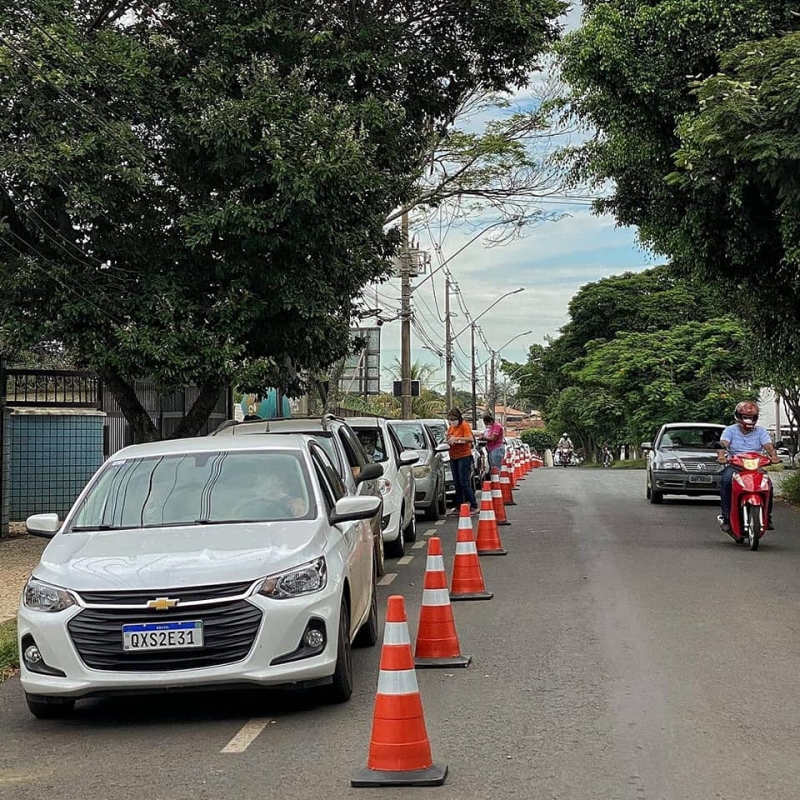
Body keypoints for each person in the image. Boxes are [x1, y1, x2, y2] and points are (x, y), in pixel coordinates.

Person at [716, 400, 780, 535]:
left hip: (756, 467)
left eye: (751, 417)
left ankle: (767, 517)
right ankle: (726, 518)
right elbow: (723, 444)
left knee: (768, 484)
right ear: (738, 416)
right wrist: (721, 456)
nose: (748, 420)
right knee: (726, 480)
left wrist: (774, 456)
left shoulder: (761, 431)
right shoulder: (730, 430)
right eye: (745, 417)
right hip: (736, 466)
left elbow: (768, 446)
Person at [446, 408, 478, 515]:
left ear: (458, 418)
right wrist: (450, 440)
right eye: (450, 419)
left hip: (464, 456)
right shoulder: (451, 427)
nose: (452, 421)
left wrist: (458, 439)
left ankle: (473, 505)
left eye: (454, 419)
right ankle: (459, 505)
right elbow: (449, 437)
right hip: (453, 456)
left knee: (464, 481)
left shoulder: (464, 426)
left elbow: (470, 438)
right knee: (457, 483)